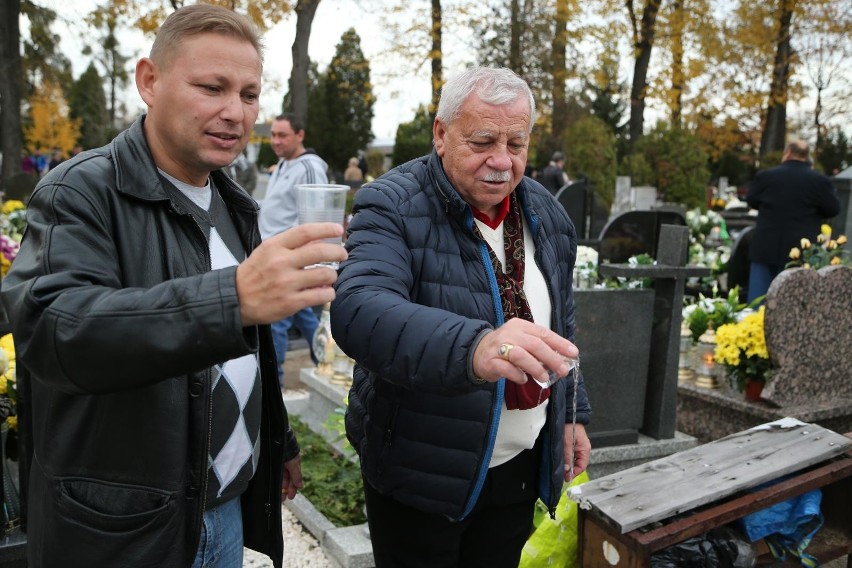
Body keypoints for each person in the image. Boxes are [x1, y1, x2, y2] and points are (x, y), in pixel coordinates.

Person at [0, 5, 346, 567]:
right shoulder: (80, 190)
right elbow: (52, 329)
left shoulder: (236, 206)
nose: (235, 112)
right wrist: (231, 297)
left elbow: (249, 351)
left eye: (250, 94)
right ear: (149, 81)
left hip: (223, 510)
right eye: (212, 87)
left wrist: (277, 441)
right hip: (124, 530)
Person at [331, 66, 592, 568]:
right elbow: (360, 310)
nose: (501, 161)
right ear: (441, 134)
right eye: (482, 141)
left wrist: (573, 414)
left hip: (518, 463)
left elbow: (561, 324)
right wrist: (476, 346)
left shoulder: (546, 212)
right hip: (423, 469)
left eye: (516, 144)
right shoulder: (392, 204)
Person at [258, 113, 329, 386]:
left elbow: (317, 215)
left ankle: (271, 385)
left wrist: (304, 260)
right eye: (273, 135)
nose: (275, 141)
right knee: (304, 318)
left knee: (277, 320)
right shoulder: (282, 164)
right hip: (273, 254)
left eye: (282, 135)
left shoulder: (308, 167)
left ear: (299, 136)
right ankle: (323, 363)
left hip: (290, 258)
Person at [746, 140, 841, 303]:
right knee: (795, 307)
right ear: (807, 157)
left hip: (766, 246)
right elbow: (833, 209)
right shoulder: (819, 181)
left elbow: (752, 200)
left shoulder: (766, 176)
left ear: (787, 152)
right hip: (801, 252)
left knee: (759, 302)